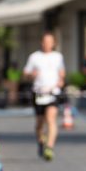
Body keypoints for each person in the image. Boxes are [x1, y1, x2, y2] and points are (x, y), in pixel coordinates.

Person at [23, 31, 66, 162]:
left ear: (54, 43)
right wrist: (32, 75)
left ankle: (50, 147)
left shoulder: (58, 56)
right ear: (42, 42)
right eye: (45, 41)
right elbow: (25, 73)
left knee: (51, 118)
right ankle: (41, 141)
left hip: (53, 92)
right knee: (39, 123)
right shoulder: (34, 57)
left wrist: (61, 81)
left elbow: (62, 72)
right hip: (39, 92)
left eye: (50, 42)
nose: (47, 44)